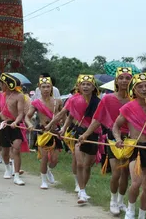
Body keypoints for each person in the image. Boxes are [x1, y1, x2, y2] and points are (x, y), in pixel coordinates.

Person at [78, 67, 132, 215]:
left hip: (131, 139)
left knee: (126, 173)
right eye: (121, 78)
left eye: (127, 78)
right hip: (113, 137)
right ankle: (113, 201)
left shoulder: (135, 100)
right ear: (116, 80)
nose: (124, 81)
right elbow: (97, 119)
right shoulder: (107, 98)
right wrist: (86, 134)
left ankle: (121, 202)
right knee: (116, 172)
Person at [112, 72, 146, 219]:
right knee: (136, 183)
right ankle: (130, 210)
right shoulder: (128, 107)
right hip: (135, 148)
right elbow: (115, 126)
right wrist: (117, 139)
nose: (143, 89)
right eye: (140, 86)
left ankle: (142, 215)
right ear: (134, 90)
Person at [47, 75, 101, 204]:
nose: (86, 86)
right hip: (79, 132)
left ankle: (83, 188)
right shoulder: (74, 100)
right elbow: (65, 114)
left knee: (88, 165)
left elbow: (98, 120)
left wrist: (87, 134)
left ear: (93, 87)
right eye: (83, 84)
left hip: (93, 134)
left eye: (89, 84)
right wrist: (53, 125)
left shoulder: (98, 102)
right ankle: (82, 192)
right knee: (80, 163)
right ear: (79, 86)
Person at [25, 76, 63, 190]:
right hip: (42, 131)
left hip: (55, 131)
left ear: (51, 88)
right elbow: (27, 117)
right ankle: (43, 180)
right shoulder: (36, 102)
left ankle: (49, 170)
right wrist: (30, 125)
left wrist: (64, 128)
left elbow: (64, 115)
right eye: (43, 87)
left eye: (48, 87)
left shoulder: (58, 101)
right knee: (45, 158)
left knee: (54, 160)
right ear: (39, 88)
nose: (46, 89)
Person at [0, 73, 31, 186]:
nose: (1, 86)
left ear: (7, 84)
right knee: (5, 152)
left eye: (2, 84)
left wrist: (16, 122)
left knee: (16, 150)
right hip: (4, 125)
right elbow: (3, 109)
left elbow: (21, 113)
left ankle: (16, 175)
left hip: (15, 125)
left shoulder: (19, 95)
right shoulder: (2, 95)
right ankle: (7, 168)